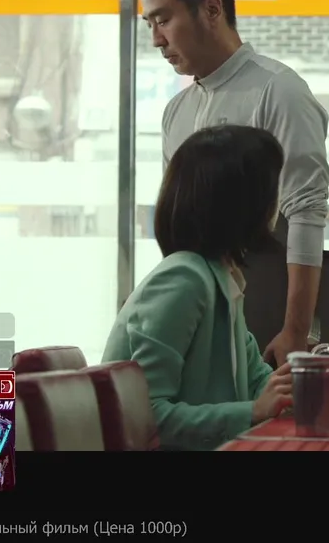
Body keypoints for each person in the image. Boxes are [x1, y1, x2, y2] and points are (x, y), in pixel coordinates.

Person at [127, 0, 329, 366]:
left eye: (163, 20)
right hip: (197, 316)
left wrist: (295, 331)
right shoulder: (176, 111)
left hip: (268, 311)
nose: (156, 40)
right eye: (149, 24)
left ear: (212, 9)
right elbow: (178, 228)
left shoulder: (279, 91)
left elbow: (306, 214)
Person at [101, 125, 295, 450]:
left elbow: (257, 382)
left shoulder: (223, 278)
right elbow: (145, 417)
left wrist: (303, 385)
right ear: (245, 200)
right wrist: (254, 410)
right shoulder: (184, 279)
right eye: (273, 186)